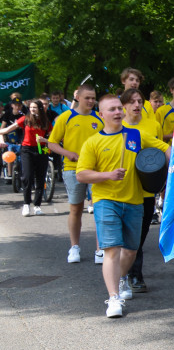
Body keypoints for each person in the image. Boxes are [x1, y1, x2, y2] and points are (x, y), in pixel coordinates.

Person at [75, 94, 169, 318]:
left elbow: (165, 149)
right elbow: (81, 174)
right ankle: (114, 298)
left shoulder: (136, 135)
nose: (117, 112)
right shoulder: (93, 142)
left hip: (135, 201)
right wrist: (108, 175)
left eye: (119, 108)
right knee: (112, 250)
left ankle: (121, 278)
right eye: (112, 109)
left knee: (131, 251)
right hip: (106, 201)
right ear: (101, 114)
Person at [46, 84, 105, 264]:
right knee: (75, 208)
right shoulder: (66, 117)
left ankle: (100, 249)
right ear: (77, 97)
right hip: (73, 169)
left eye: (93, 98)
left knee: (100, 209)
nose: (91, 101)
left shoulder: (99, 118)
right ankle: (74, 247)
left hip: (97, 170)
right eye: (87, 98)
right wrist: (68, 153)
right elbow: (51, 143)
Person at [121, 88, 167, 294]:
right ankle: (132, 275)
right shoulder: (116, 127)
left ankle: (131, 270)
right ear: (124, 106)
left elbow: (159, 153)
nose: (137, 105)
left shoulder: (153, 125)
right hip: (124, 189)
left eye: (139, 101)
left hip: (147, 188)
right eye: (132, 102)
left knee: (140, 233)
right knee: (127, 234)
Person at [0, 98, 52, 216]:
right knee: (27, 177)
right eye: (31, 107)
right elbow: (8, 129)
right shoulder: (25, 119)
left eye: (35, 107)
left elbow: (54, 137)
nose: (33, 109)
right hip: (27, 150)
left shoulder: (45, 121)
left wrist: (45, 140)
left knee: (40, 177)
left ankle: (37, 206)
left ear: (40, 108)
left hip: (41, 150)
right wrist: (1, 134)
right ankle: (26, 204)